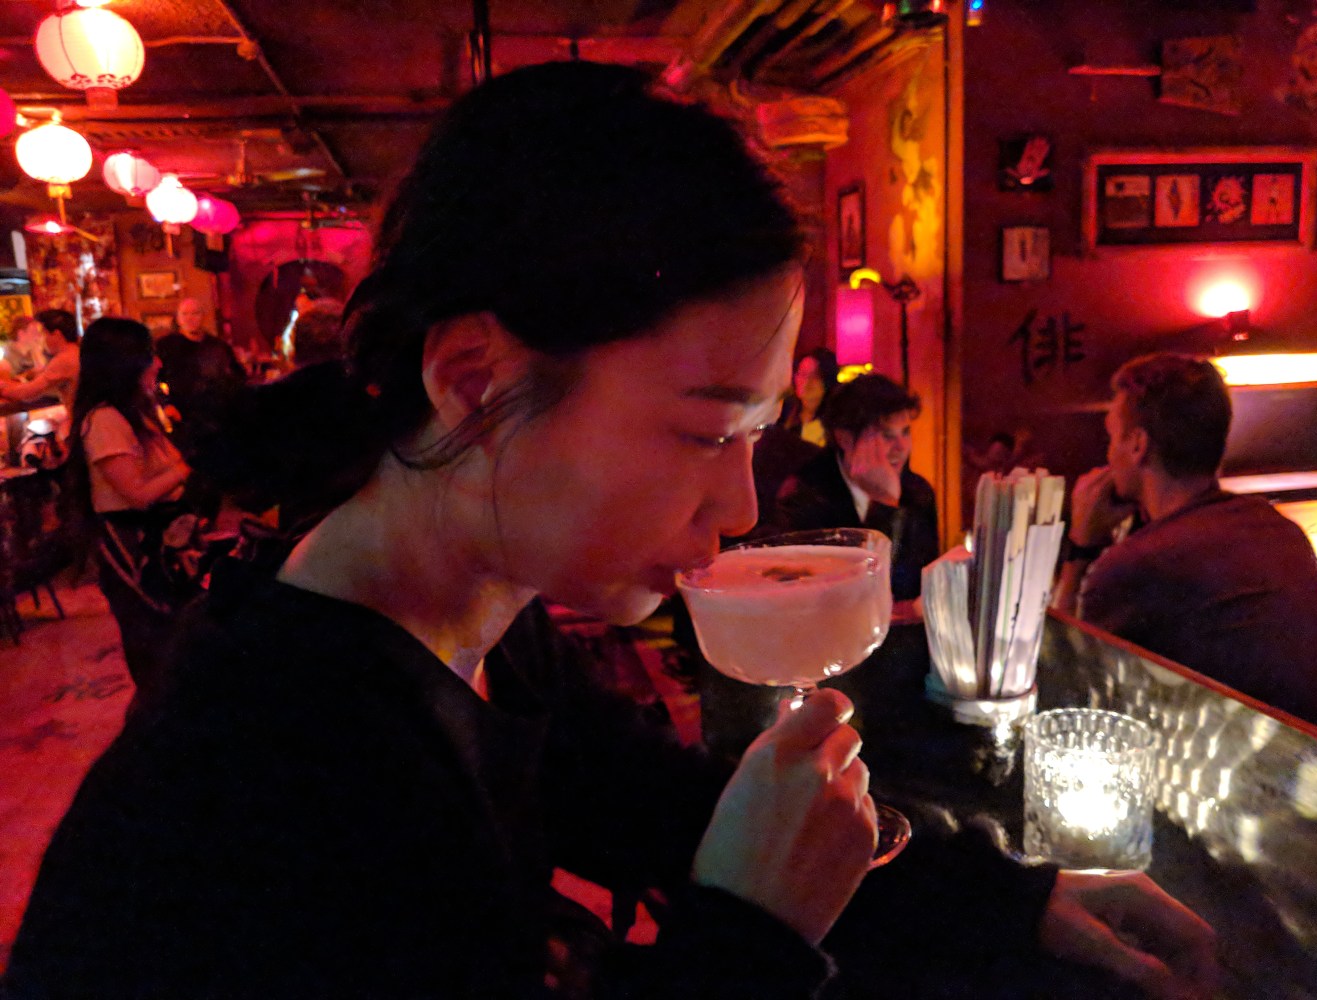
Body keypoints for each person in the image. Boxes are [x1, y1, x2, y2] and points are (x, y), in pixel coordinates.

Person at [6, 63, 1216, 1000]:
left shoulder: (469, 624)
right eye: (706, 431)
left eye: (759, 432)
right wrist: (748, 935)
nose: (741, 506)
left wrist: (1002, 896)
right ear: (474, 376)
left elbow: (654, 802)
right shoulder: (279, 769)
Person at [1054, 352, 1317, 724]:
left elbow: (1062, 683)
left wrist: (1081, 548)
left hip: (1239, 768)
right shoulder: (1276, 528)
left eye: (1111, 436)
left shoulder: (1139, 566)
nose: (1107, 454)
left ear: (1137, 445)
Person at [61, 318, 195, 710]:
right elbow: (136, 495)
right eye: (148, 356)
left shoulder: (135, 413)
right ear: (125, 364)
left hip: (162, 547)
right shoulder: (104, 421)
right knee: (157, 658)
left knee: (176, 652)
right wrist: (189, 464)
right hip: (136, 553)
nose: (156, 365)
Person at [775, 373, 939, 602]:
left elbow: (921, 588)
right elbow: (853, 597)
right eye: (886, 435)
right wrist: (885, 506)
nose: (901, 447)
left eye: (905, 433)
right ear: (844, 439)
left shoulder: (918, 492)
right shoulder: (804, 495)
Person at [154, 296, 245, 457]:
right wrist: (166, 404)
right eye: (185, 314)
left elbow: (237, 376)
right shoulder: (165, 346)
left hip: (217, 418)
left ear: (203, 316)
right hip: (182, 417)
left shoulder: (218, 346)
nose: (190, 318)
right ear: (178, 318)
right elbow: (154, 379)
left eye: (195, 313)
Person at [0, 309, 82, 453]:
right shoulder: (75, 352)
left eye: (43, 333)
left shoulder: (65, 358)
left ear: (56, 335)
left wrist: (2, 387)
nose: (41, 338)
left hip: (81, 425)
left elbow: (28, 392)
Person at [780, 346, 840, 447]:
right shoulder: (784, 417)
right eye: (802, 374)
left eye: (814, 376)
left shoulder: (835, 426)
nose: (806, 382)